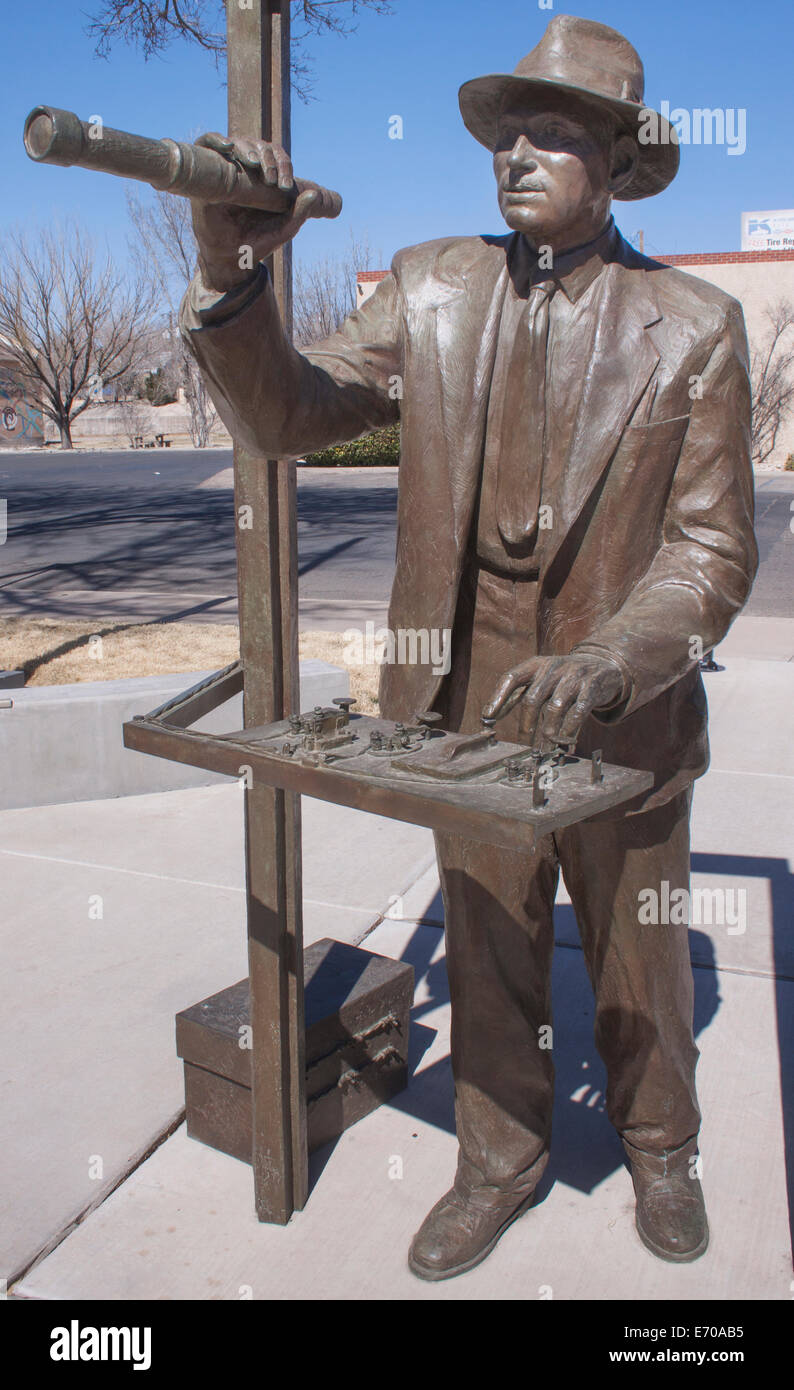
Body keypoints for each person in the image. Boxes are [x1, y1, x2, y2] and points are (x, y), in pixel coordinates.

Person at [180, 15, 757, 1280]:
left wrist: (614, 656)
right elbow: (289, 413)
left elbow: (710, 550)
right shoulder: (430, 286)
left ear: (613, 157)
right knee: (489, 951)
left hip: (626, 705)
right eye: (508, 132)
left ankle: (661, 1146)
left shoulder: (697, 322)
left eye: (553, 133)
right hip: (464, 694)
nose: (518, 154)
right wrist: (233, 275)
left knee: (636, 955)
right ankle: (498, 1157)